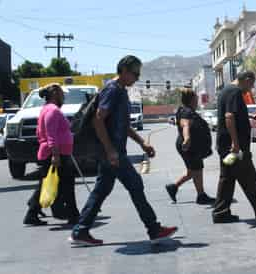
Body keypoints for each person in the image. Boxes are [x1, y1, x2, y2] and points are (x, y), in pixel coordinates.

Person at [70, 55, 177, 246]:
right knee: (135, 185)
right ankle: (153, 228)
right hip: (113, 153)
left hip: (112, 152)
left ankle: (80, 230)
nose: (137, 77)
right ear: (125, 71)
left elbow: (123, 125)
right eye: (135, 73)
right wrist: (110, 150)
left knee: (101, 190)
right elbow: (98, 119)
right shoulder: (113, 90)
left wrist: (142, 143)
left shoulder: (120, 91)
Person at [212, 71, 256, 223]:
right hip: (235, 147)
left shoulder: (225, 91)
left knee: (227, 179)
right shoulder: (235, 91)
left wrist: (249, 116)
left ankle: (221, 212)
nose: (250, 89)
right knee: (249, 178)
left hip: (224, 144)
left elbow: (233, 114)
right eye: (251, 85)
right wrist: (236, 144)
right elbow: (229, 117)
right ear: (246, 79)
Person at [23, 83, 80, 226]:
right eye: (62, 93)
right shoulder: (52, 110)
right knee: (66, 184)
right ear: (55, 93)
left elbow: (40, 132)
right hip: (55, 154)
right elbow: (51, 135)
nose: (64, 96)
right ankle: (71, 215)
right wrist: (55, 155)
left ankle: (32, 212)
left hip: (57, 153)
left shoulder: (47, 109)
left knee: (48, 184)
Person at [166, 88, 215, 205]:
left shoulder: (185, 110)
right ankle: (198, 194)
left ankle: (198, 194)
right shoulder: (187, 112)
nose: (197, 101)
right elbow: (185, 125)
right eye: (196, 99)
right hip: (189, 147)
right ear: (192, 100)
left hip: (192, 147)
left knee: (194, 170)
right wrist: (187, 139)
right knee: (195, 170)